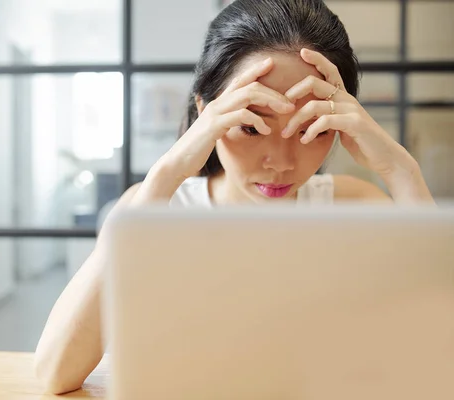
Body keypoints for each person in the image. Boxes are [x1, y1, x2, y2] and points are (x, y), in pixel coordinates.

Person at [34, 0, 434, 394]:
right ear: (205, 111)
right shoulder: (154, 208)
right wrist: (165, 176)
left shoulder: (354, 209)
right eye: (252, 126)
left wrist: (401, 170)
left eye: (309, 127)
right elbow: (56, 372)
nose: (280, 161)